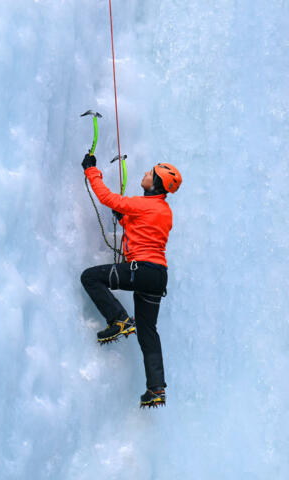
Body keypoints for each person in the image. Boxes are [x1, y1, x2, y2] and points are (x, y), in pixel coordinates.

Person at [79, 153, 182, 408]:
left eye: (150, 173)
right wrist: (123, 218)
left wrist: (91, 170)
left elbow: (107, 198)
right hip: (157, 276)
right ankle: (156, 389)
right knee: (148, 332)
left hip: (141, 270)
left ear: (156, 184)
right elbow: (143, 227)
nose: (146, 174)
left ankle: (119, 319)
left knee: (90, 277)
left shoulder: (144, 204)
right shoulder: (164, 210)